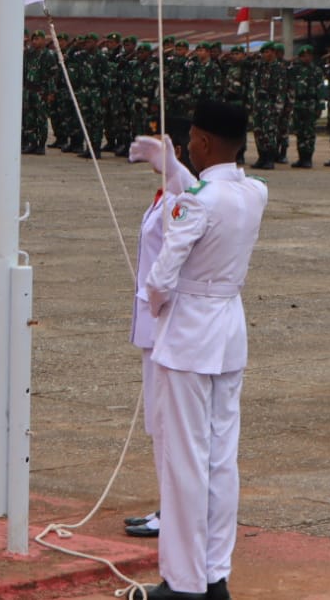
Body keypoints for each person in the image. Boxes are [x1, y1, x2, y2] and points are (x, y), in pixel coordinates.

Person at [143, 99, 267, 600]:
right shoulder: (255, 191)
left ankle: (183, 581)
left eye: (192, 138)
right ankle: (214, 574)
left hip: (190, 334)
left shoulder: (197, 199)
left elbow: (161, 276)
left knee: (184, 460)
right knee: (221, 459)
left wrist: (156, 307)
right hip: (228, 330)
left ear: (203, 142)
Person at [123, 115, 197, 541]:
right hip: (152, 330)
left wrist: (175, 171)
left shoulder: (187, 194)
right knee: (158, 423)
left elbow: (197, 199)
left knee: (170, 424)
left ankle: (175, 512)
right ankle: (168, 506)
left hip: (168, 326)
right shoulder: (163, 195)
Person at [286, 45, 322, 168]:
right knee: (299, 131)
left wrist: (320, 107)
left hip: (310, 103)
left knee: (309, 132)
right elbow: (286, 73)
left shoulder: (316, 71)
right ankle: (301, 157)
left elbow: (320, 90)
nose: (306, 58)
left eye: (308, 55)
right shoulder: (295, 69)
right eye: (303, 56)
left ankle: (308, 158)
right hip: (298, 104)